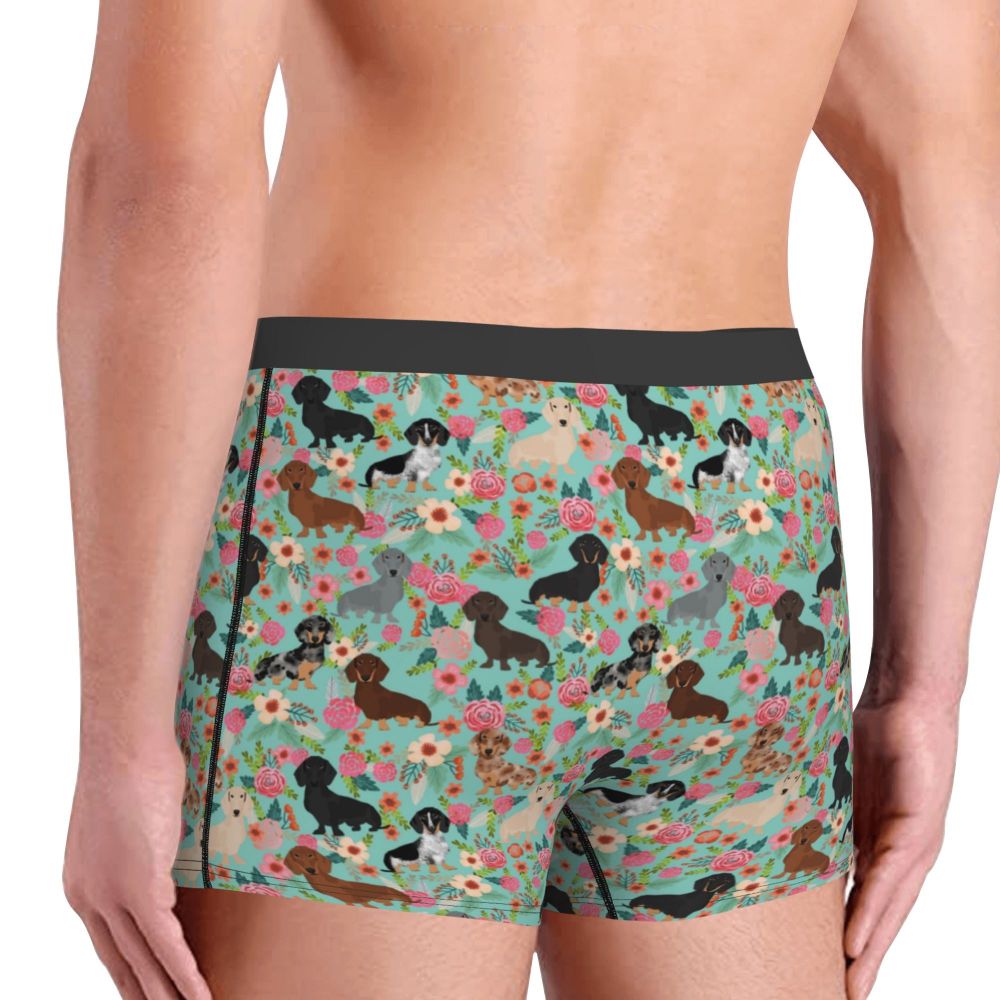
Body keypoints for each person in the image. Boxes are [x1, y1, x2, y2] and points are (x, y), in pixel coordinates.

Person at [58, 2, 998, 999]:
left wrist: (123, 737)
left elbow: (162, 181)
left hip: (395, 475)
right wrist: (921, 690)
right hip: (739, 502)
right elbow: (955, 186)